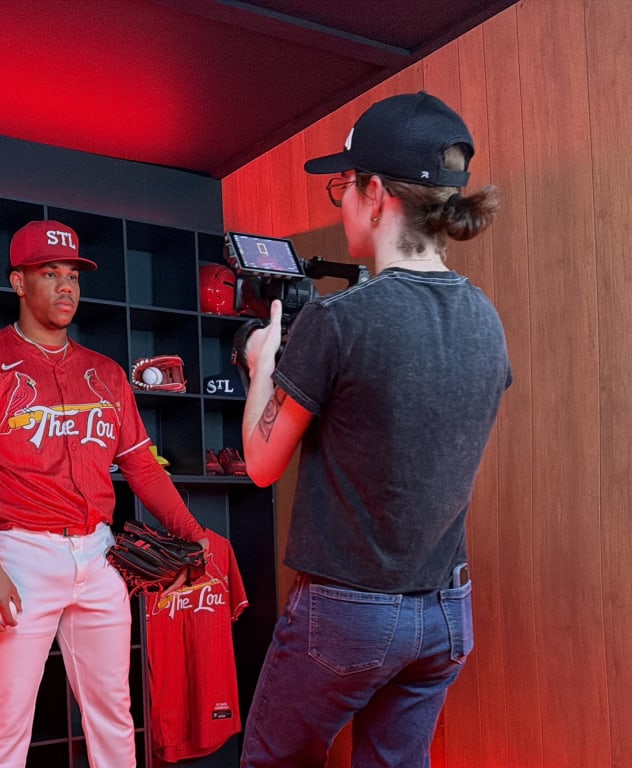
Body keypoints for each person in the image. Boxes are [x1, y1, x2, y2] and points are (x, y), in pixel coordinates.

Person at [237, 91, 511, 766]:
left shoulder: (340, 320)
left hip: (348, 617)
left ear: (376, 193)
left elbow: (260, 463)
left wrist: (263, 367)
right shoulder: (486, 319)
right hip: (446, 612)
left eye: (343, 186)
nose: (342, 202)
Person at [0, 219, 208, 768]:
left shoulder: (105, 374)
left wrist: (194, 533)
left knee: (113, 714)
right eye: (48, 272)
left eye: (72, 275)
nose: (65, 286)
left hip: (100, 555)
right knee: (5, 718)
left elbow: (142, 470)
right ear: (17, 281)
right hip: (20, 554)